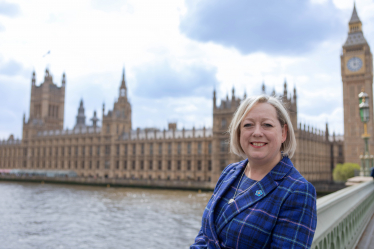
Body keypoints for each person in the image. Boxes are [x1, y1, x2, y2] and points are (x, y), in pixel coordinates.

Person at [191, 95, 317, 249]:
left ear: (284, 133)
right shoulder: (229, 173)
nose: (257, 132)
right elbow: (205, 235)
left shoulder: (298, 191)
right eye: (248, 125)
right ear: (238, 132)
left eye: (267, 125)